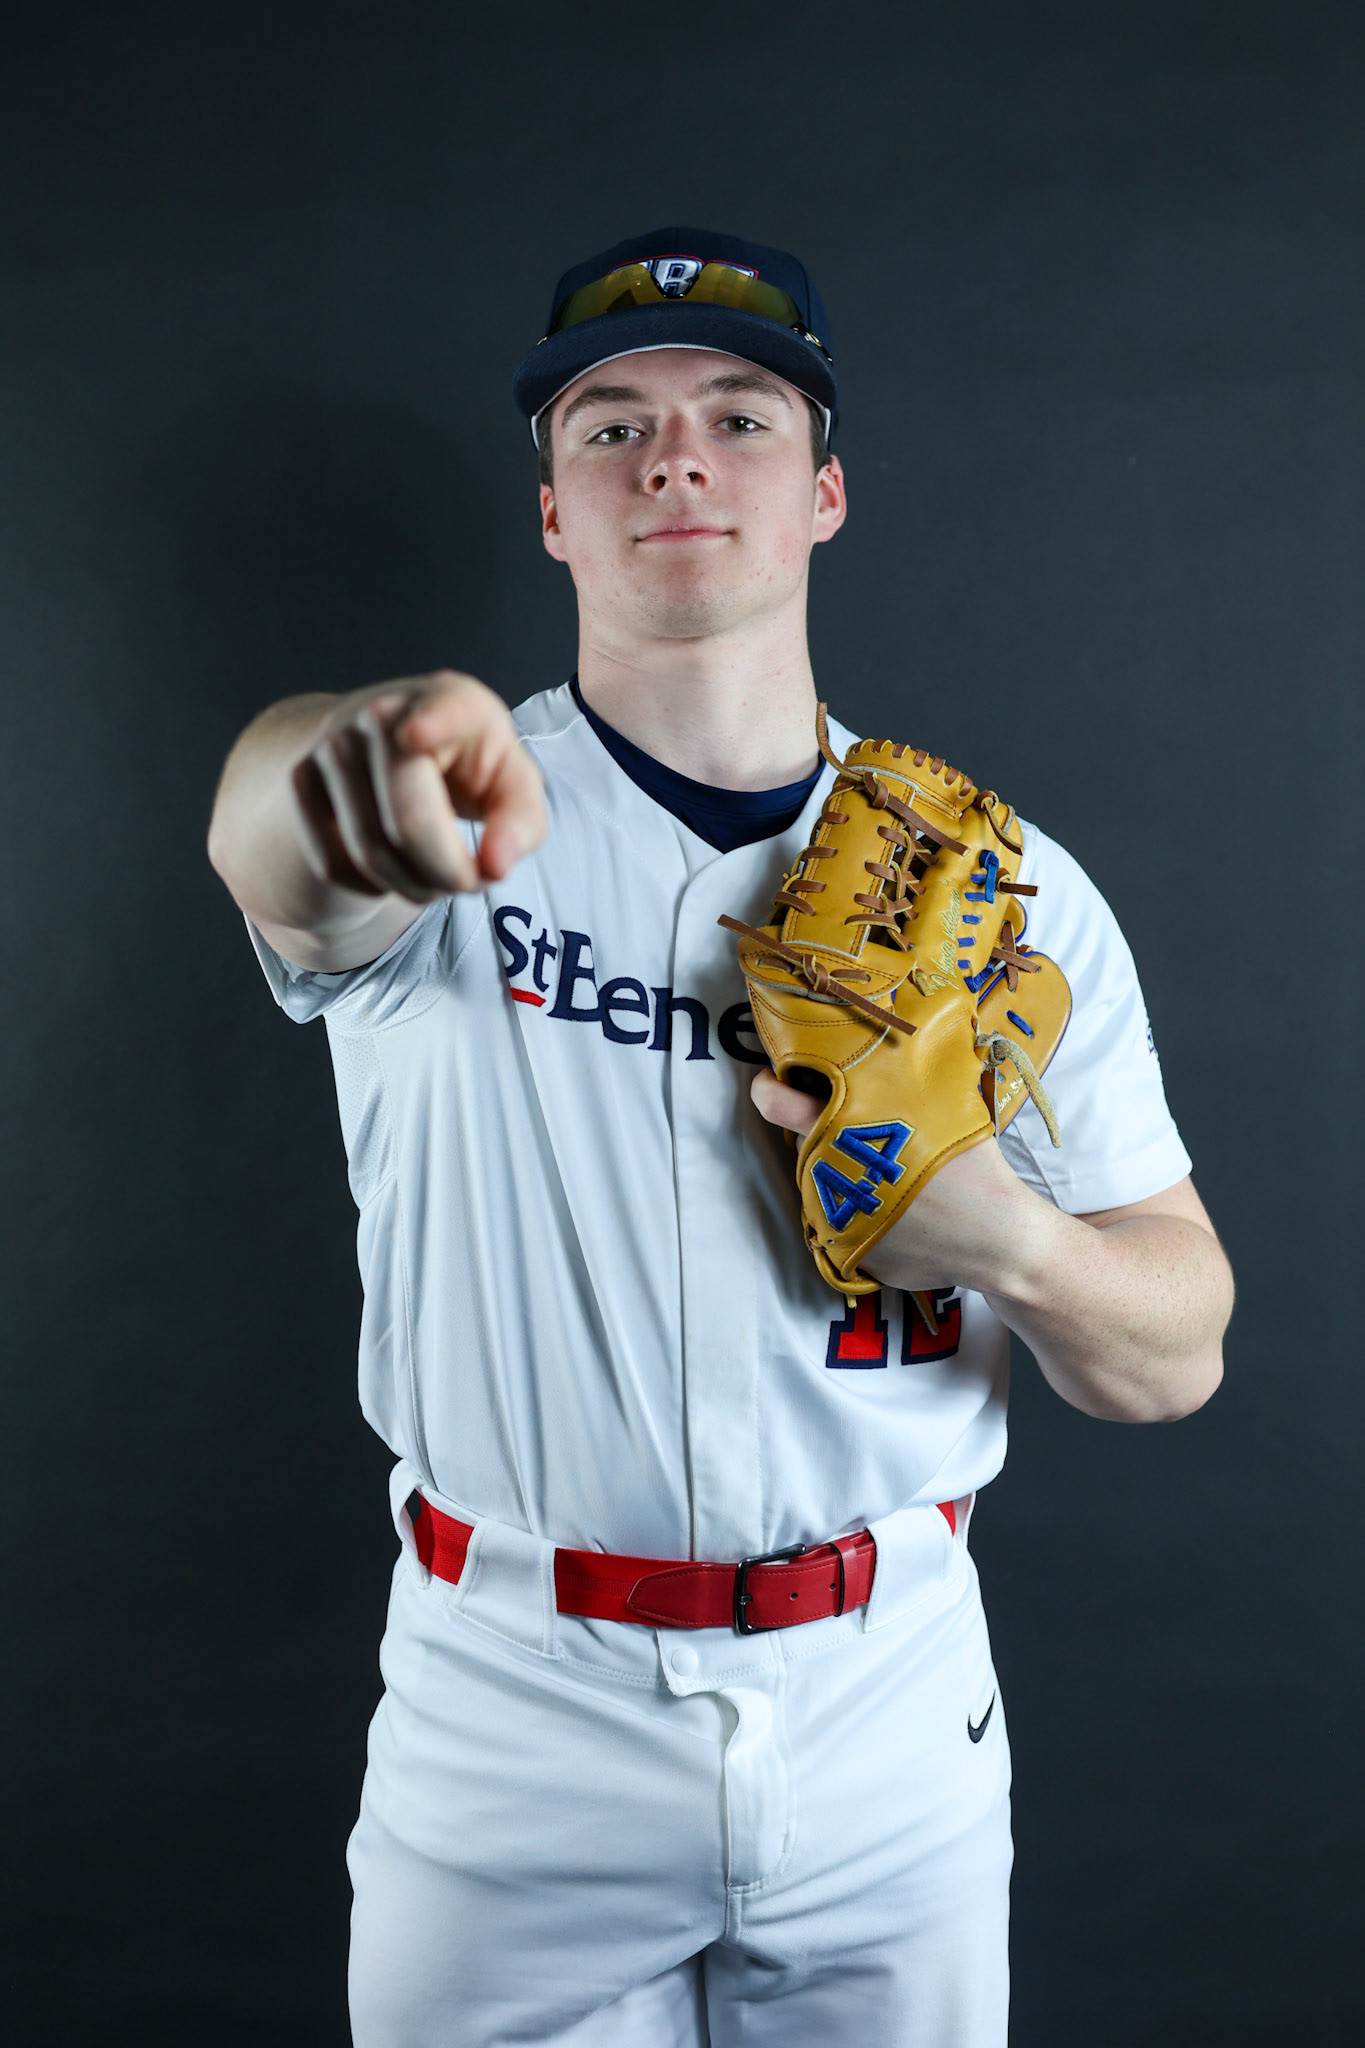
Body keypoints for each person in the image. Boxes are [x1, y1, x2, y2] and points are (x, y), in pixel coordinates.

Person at [207, 226, 1234, 2047]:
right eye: (608, 425)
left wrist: (1006, 1242)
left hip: (887, 1696)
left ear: (822, 491)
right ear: (551, 517)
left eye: (738, 415)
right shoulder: (453, 825)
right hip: (514, 1700)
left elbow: (1177, 1354)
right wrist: (346, 752)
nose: (674, 453)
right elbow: (278, 838)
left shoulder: (1010, 893)